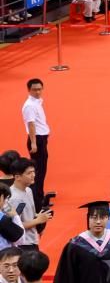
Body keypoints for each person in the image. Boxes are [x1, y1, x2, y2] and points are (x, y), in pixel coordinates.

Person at [22, 77, 50, 207]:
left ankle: (39, 195)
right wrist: (33, 143)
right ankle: (38, 200)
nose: (38, 92)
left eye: (39, 89)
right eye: (34, 90)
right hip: (37, 140)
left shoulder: (37, 102)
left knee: (41, 170)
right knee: (37, 171)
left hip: (41, 138)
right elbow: (31, 124)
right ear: (29, 90)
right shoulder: (30, 106)